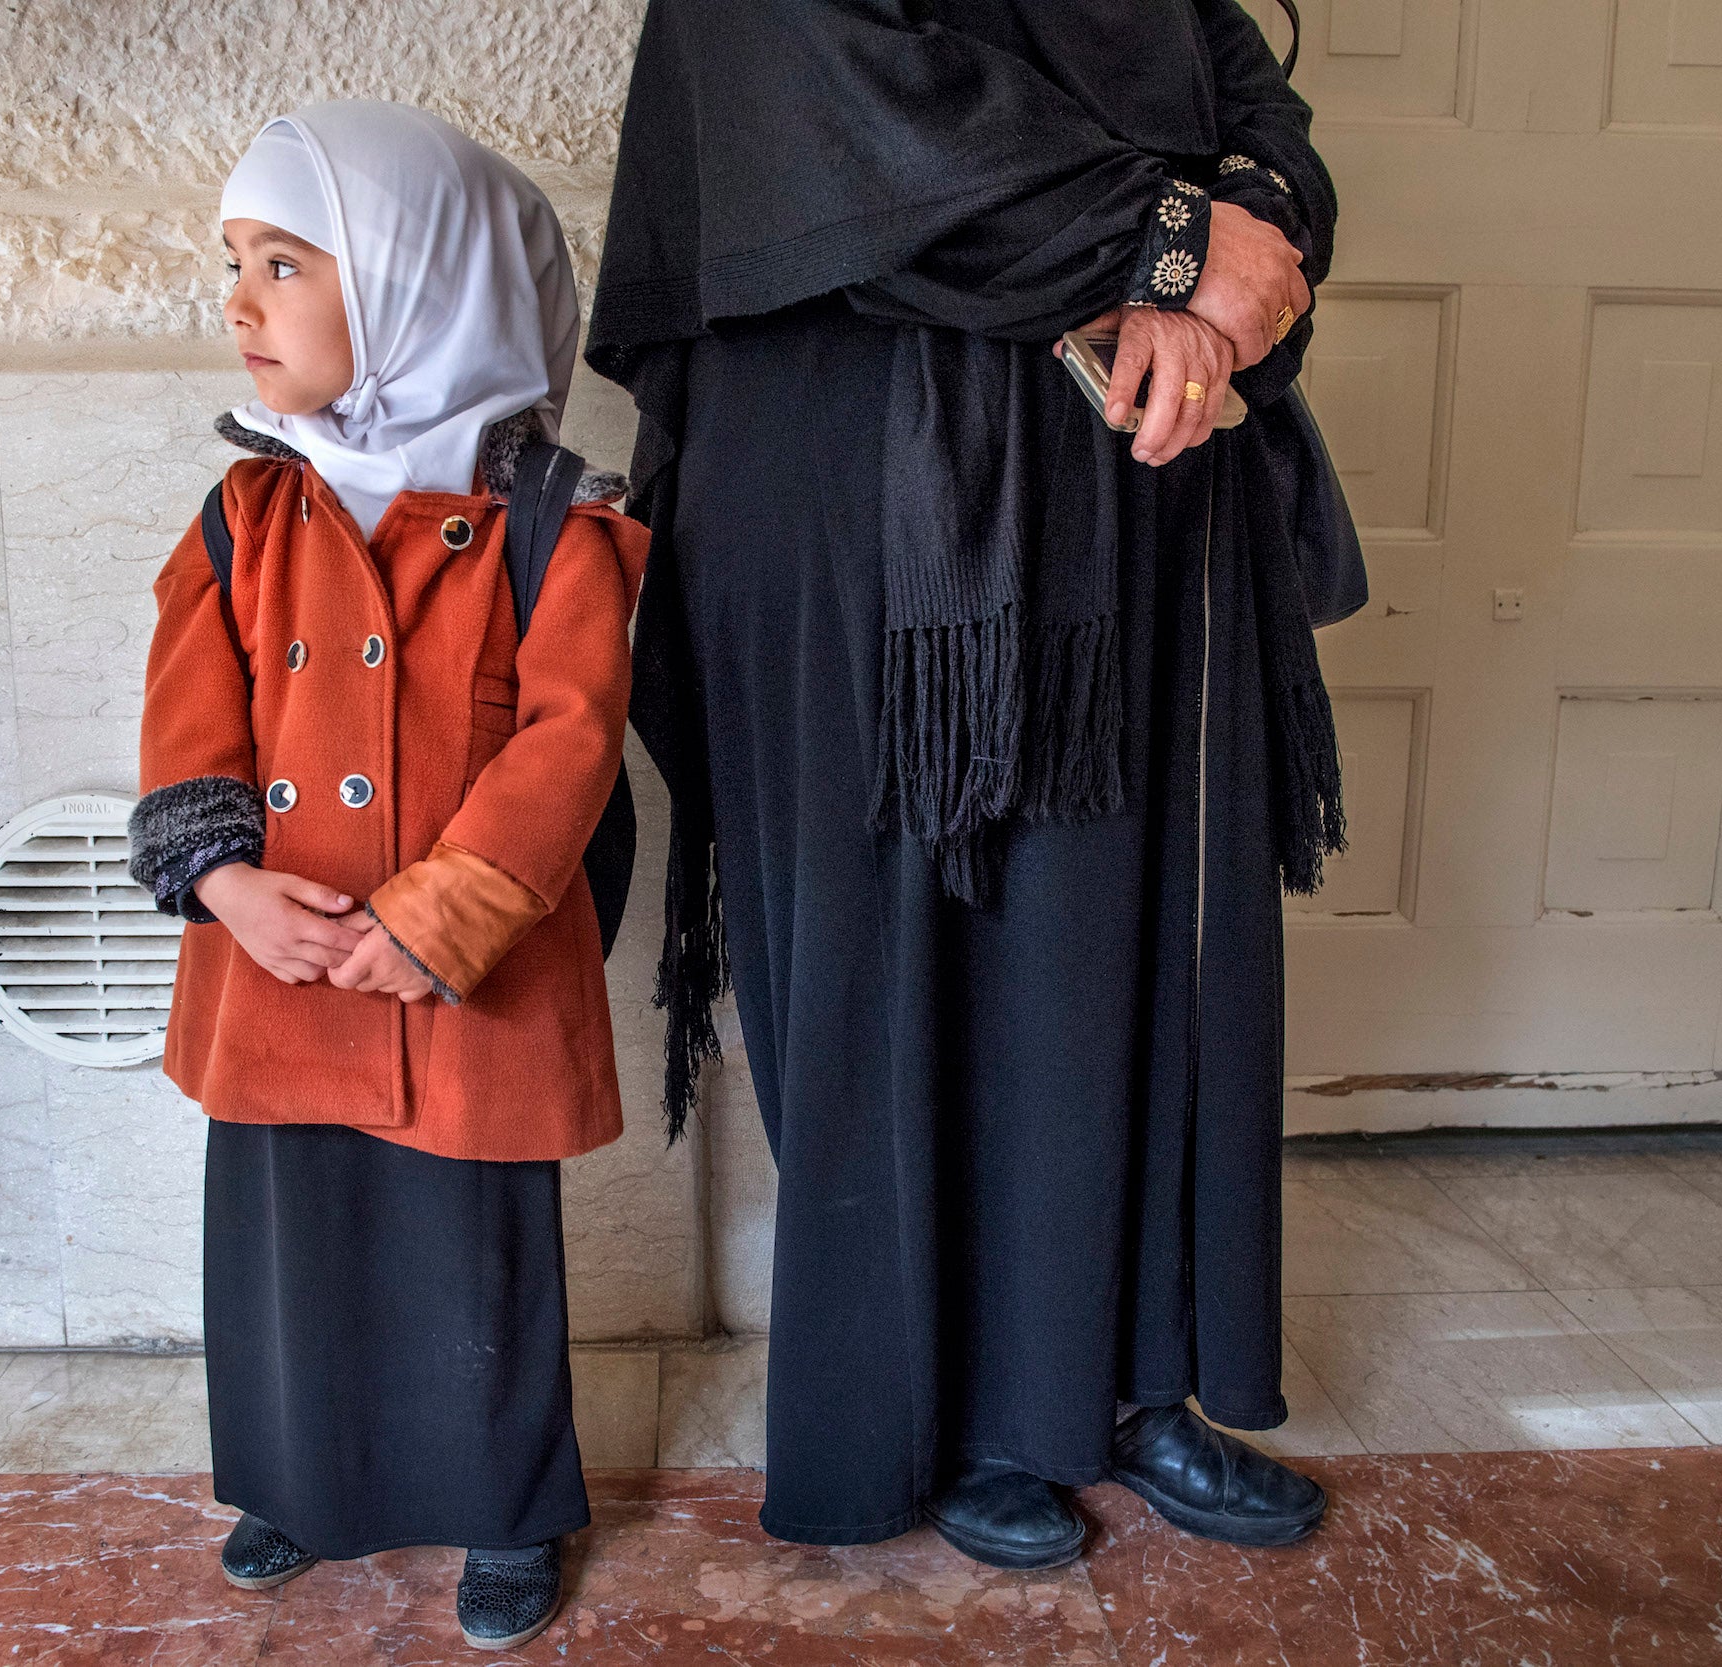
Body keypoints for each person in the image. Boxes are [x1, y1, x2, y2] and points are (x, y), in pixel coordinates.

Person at [588, 0, 1345, 1566]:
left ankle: (1120, 1395)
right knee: (887, 970)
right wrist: (1168, 243)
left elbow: (1256, 126)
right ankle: (934, 1419)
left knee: (1112, 965)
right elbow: (847, 129)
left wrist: (1206, 287)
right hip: (855, 491)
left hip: (1127, 478)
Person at [127, 100, 646, 1649]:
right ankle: (299, 1477)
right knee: (290, 1248)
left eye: (285, 262)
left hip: (459, 979)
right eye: (233, 263)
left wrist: (447, 915)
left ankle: (503, 1510)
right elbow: (187, 723)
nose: (239, 302)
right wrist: (221, 881)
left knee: (471, 1264)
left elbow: (568, 742)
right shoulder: (243, 516)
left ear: (426, 278)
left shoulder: (557, 527)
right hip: (279, 969)